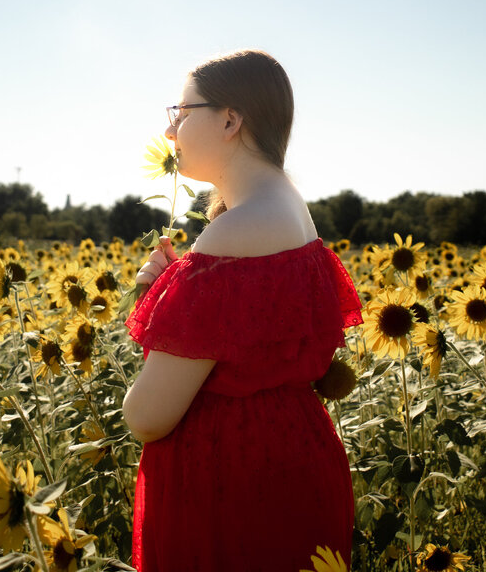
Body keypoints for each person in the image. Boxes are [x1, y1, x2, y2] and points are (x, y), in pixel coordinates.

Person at [122, 49, 363, 572]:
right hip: (294, 468)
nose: (171, 132)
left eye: (181, 114)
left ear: (230, 119)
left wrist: (156, 301)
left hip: (235, 492)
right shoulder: (291, 210)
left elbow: (146, 417)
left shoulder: (234, 233)